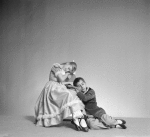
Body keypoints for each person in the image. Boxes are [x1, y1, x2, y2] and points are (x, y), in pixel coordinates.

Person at [34, 62, 89, 132]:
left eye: (69, 70)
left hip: (58, 86)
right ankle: (78, 117)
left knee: (73, 93)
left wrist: (71, 74)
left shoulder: (63, 71)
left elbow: (69, 80)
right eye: (68, 68)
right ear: (67, 63)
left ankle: (78, 117)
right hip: (52, 88)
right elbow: (61, 79)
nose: (67, 70)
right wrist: (68, 73)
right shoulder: (56, 67)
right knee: (68, 94)